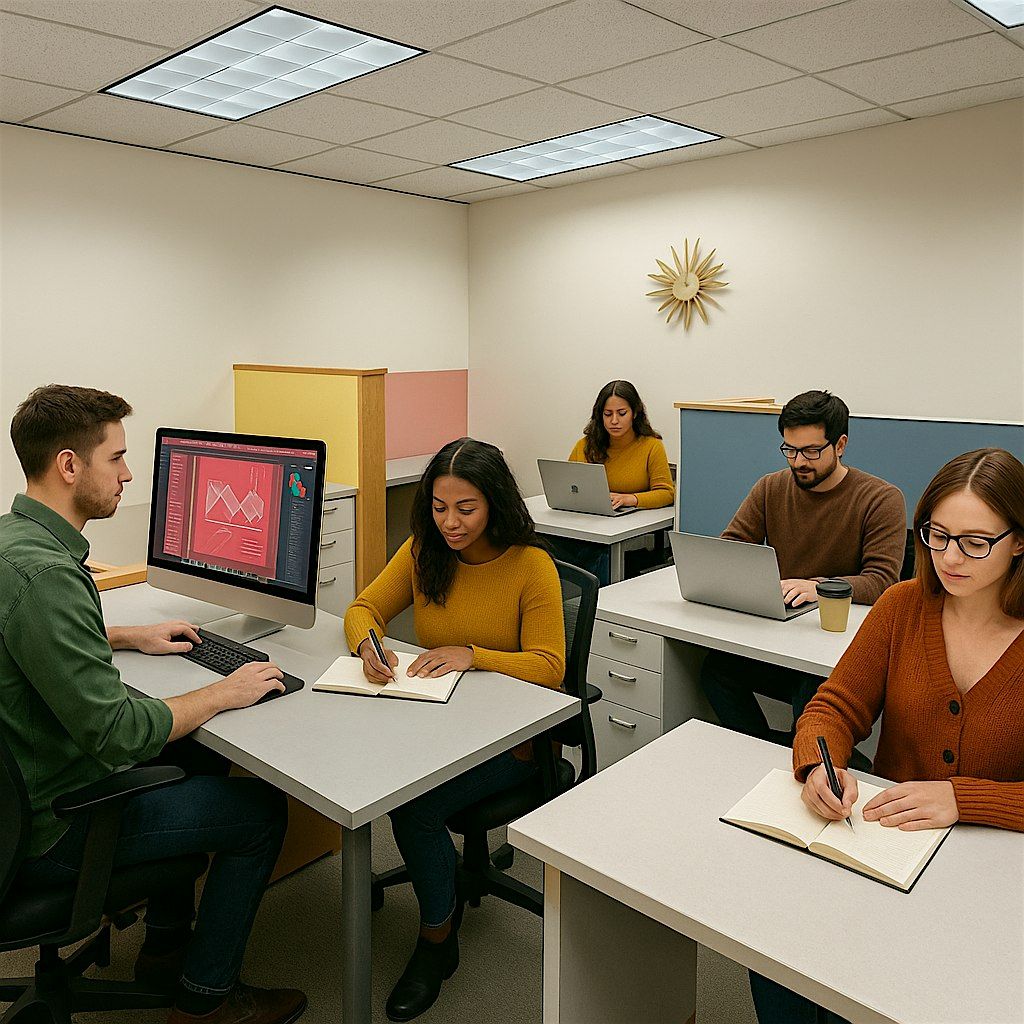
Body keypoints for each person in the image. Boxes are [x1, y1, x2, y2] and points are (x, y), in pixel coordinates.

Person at [0, 385, 306, 1024]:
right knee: (260, 813)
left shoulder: (15, 546)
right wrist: (224, 690)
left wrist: (119, 635)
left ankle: (167, 947)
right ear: (68, 466)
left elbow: (23, 640)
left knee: (197, 757)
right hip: (52, 824)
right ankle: (205, 1004)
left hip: (23, 792)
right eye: (116, 458)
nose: (129, 474)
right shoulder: (48, 577)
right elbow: (116, 732)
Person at [748, 446, 1024, 1024]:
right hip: (888, 842)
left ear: (1019, 541)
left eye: (975, 542)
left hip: (994, 875)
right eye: (937, 535)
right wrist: (817, 764)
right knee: (776, 943)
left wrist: (964, 798)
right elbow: (833, 706)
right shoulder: (903, 606)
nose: (950, 556)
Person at [343, 437, 565, 1022]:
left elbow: (550, 667)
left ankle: (437, 942)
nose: (451, 522)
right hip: (436, 721)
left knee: (413, 808)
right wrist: (368, 647)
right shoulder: (424, 550)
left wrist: (475, 653)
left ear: (494, 502)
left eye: (465, 508)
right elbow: (363, 608)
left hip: (511, 743)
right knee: (373, 772)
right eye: (439, 508)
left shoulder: (530, 566)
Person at [700, 390, 906, 743]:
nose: (798, 462)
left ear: (839, 445)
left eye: (812, 451)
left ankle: (800, 753)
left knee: (811, 694)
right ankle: (767, 749)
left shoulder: (881, 498)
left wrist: (819, 586)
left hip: (835, 648)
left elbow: (883, 581)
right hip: (782, 636)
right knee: (716, 672)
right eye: (790, 450)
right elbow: (732, 547)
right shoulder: (771, 487)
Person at [550, 379, 674, 585]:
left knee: (599, 555)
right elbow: (569, 486)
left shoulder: (651, 446)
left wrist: (631, 499)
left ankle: (597, 607)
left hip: (624, 531)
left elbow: (667, 492)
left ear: (635, 413)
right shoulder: (585, 445)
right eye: (608, 414)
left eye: (621, 413)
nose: (614, 420)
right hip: (587, 523)